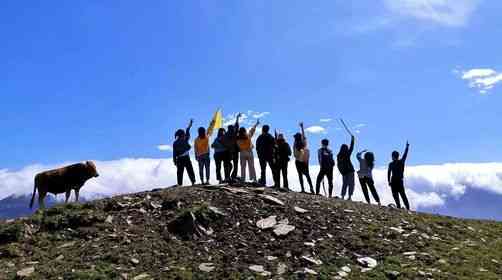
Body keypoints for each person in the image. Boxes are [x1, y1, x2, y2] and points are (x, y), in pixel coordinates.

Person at [388, 141, 411, 210]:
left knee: (398, 195)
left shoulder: (392, 164)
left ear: (393, 156)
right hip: (398, 181)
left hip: (395, 181)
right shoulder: (400, 162)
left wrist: (388, 181)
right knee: (401, 195)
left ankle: (401, 207)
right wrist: (407, 148)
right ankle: (405, 208)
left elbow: (388, 173)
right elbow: (405, 155)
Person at [173, 119, 196, 186]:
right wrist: (190, 125)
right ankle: (193, 182)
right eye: (183, 133)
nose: (184, 134)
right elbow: (187, 131)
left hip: (179, 159)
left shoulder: (175, 142)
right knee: (190, 170)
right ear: (181, 135)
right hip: (185, 158)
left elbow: (174, 153)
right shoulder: (184, 139)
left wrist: (174, 160)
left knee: (180, 172)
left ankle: (180, 184)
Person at [294, 123, 314, 193]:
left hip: (298, 161)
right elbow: (304, 136)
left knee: (300, 175)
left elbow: (295, 154)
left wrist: (302, 128)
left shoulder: (296, 143)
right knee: (307, 175)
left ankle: (303, 189)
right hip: (304, 161)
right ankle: (311, 188)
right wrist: (302, 127)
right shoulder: (303, 143)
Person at [338, 135, 356, 200]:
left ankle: (343, 196)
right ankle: (350, 196)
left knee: (344, 184)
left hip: (344, 172)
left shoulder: (339, 155)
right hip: (350, 171)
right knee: (351, 184)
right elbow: (351, 148)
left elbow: (338, 165)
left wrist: (341, 172)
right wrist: (352, 140)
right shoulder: (347, 154)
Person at [225, 113, 242, 180]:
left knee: (228, 164)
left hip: (228, 152)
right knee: (235, 164)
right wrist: (237, 118)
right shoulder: (234, 134)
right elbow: (237, 126)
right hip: (235, 151)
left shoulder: (226, 135)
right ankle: (233, 176)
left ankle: (228, 176)